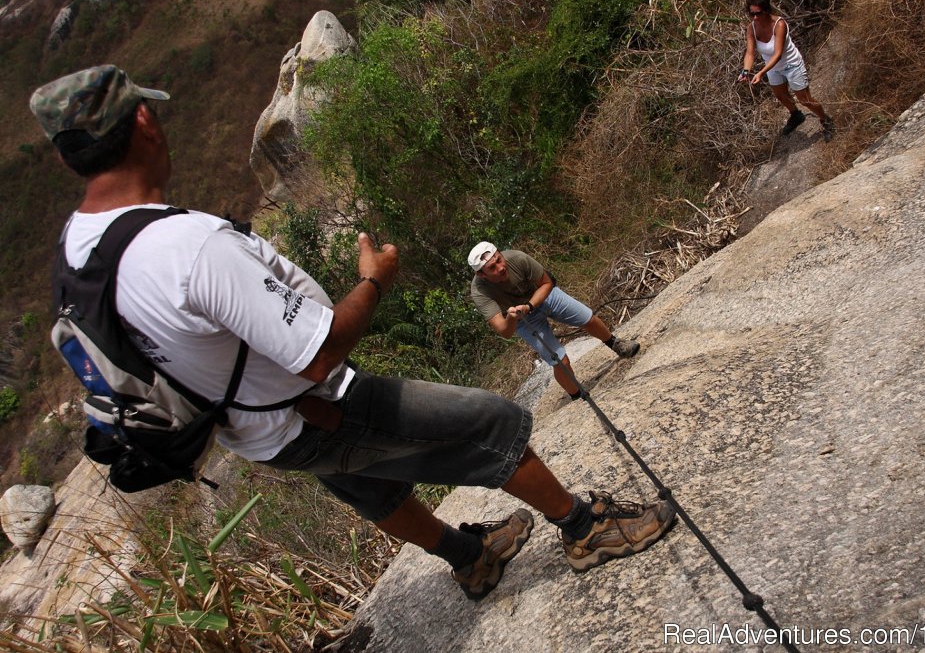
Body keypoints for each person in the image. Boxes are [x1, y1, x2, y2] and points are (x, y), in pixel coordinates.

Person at [31, 65, 675, 601]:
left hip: (255, 433)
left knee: (366, 482)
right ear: (143, 121)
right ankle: (584, 528)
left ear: (67, 156)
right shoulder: (185, 247)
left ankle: (469, 555)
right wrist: (374, 280)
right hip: (316, 405)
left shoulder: (77, 249)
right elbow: (321, 353)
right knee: (491, 421)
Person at [468, 242, 639, 400]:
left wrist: (530, 305)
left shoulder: (517, 258)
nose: (501, 267)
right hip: (522, 319)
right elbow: (504, 331)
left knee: (587, 318)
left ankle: (616, 344)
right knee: (559, 360)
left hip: (544, 297)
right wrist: (512, 317)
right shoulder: (480, 292)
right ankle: (578, 396)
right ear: (481, 274)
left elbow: (547, 283)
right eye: (492, 267)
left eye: (499, 259)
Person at [737, 0, 835, 142]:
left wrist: (761, 73)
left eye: (758, 13)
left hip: (790, 63)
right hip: (773, 68)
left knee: (805, 99)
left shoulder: (779, 24)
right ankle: (796, 115)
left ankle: (826, 120)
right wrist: (746, 71)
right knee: (780, 95)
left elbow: (777, 54)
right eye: (752, 14)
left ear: (766, 10)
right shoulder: (752, 28)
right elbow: (750, 53)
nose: (755, 17)